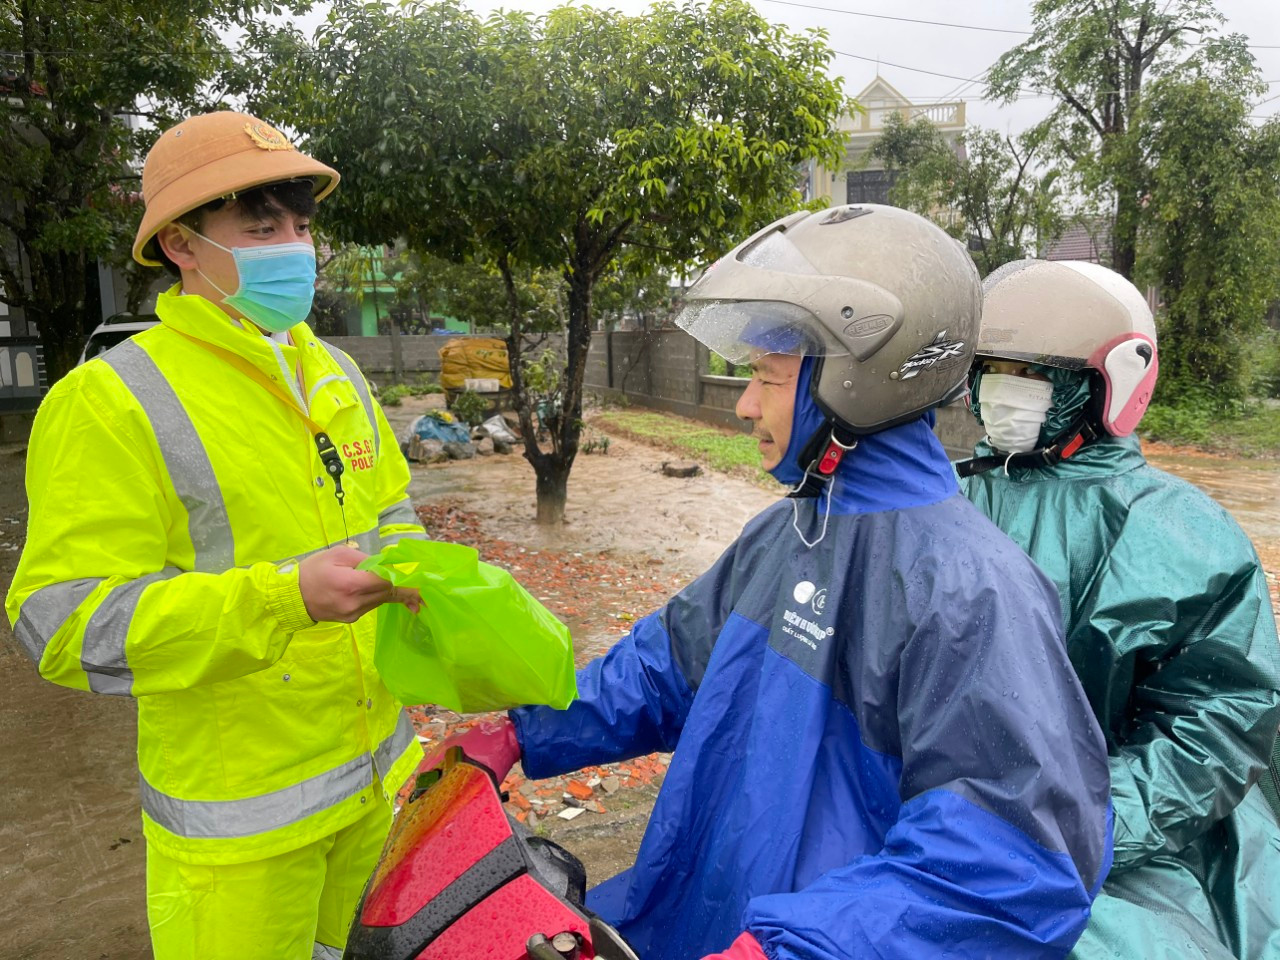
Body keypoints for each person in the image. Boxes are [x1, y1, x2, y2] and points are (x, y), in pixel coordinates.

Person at [431, 205, 1114, 959]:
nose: (746, 403)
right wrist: (521, 730)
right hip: (706, 917)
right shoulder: (785, 534)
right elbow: (664, 669)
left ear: (861, 384)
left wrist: (803, 947)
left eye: (767, 377)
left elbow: (1011, 865)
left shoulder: (971, 592)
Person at [5, 111, 429, 959]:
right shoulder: (112, 401)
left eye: (303, 226)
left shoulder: (333, 371)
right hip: (240, 837)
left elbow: (391, 512)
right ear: (181, 246)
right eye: (260, 227)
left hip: (377, 790)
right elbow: (62, 624)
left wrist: (427, 580)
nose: (294, 248)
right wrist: (283, 600)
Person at [956, 258, 1280, 959]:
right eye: (993, 367)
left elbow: (1216, 725)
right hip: (951, 819)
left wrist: (1086, 830)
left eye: (1036, 373)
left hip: (1129, 837)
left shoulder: (1180, 535)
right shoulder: (945, 501)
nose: (1005, 390)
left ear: (1111, 384)